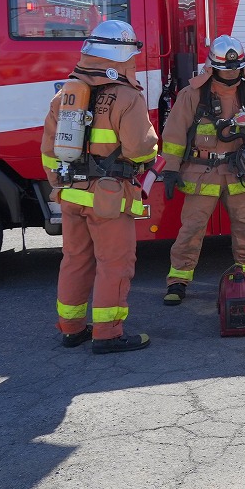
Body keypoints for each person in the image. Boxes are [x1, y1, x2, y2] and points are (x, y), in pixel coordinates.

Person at [41, 20, 159, 353]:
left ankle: (71, 328)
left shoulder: (64, 94)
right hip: (108, 197)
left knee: (75, 260)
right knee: (114, 264)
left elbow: (49, 151)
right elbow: (141, 148)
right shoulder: (126, 97)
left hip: (70, 193)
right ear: (123, 56)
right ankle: (107, 334)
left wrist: (58, 186)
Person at [159, 35, 245, 304]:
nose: (233, 73)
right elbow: (174, 135)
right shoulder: (193, 95)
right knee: (191, 230)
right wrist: (170, 170)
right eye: (227, 69)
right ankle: (177, 281)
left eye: (237, 68)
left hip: (239, 173)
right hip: (202, 173)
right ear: (213, 67)